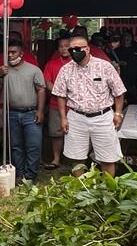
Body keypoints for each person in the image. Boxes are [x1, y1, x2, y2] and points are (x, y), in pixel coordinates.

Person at [51, 35, 126, 176]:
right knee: (76, 158)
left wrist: (118, 113)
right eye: (71, 49)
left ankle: (107, 191)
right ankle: (82, 191)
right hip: (76, 117)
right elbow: (60, 95)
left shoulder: (104, 66)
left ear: (88, 49)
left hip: (103, 117)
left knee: (108, 158)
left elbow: (119, 92)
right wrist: (63, 118)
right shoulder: (66, 69)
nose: (74, 52)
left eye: (78, 49)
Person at [0, 43, 46, 184]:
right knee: (15, 146)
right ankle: (19, 173)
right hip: (11, 113)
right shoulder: (3, 70)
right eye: (8, 53)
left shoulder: (33, 70)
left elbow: (41, 90)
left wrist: (40, 111)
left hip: (31, 112)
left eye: (13, 52)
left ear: (21, 53)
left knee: (33, 145)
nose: (10, 55)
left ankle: (30, 175)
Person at [42, 34, 73, 169]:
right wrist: (58, 92)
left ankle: (75, 161)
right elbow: (47, 81)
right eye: (61, 46)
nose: (63, 49)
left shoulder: (78, 62)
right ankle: (56, 159)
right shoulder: (52, 63)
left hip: (75, 106)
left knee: (76, 134)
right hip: (55, 104)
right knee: (56, 134)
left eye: (67, 46)